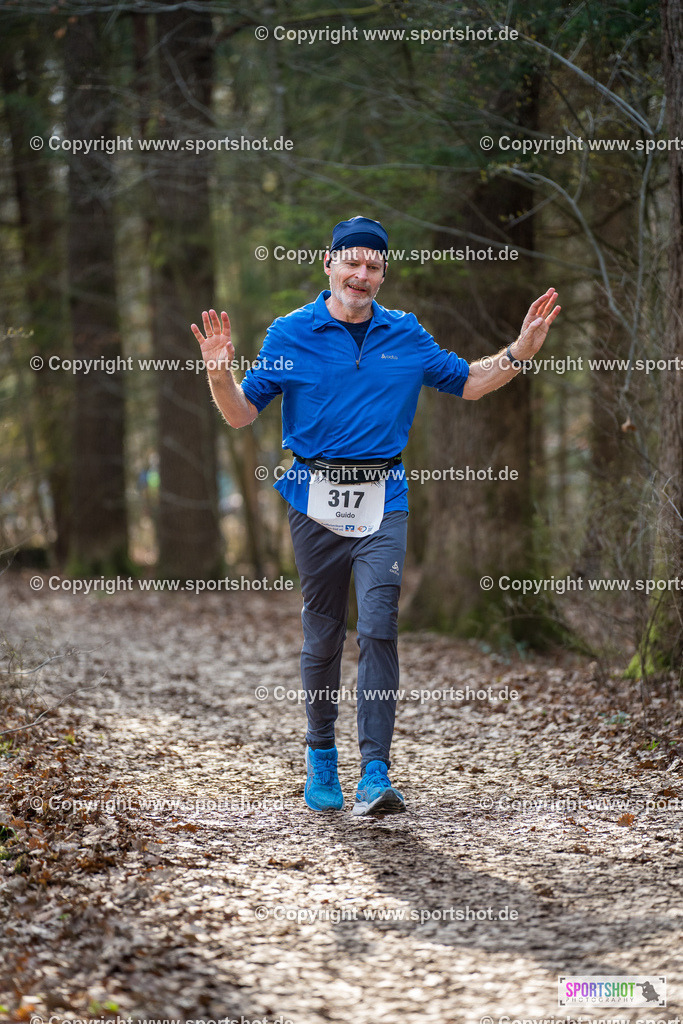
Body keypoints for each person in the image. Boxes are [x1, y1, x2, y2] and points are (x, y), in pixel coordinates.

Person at [191, 215, 560, 817]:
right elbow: (239, 415)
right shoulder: (290, 335)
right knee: (324, 632)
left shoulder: (406, 335)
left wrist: (520, 351)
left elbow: (467, 383)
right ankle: (319, 759)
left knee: (381, 624)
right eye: (352, 263)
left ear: (383, 276)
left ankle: (374, 772)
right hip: (315, 498)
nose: (361, 275)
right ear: (330, 265)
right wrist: (217, 371)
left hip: (384, 498)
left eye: (373, 267)